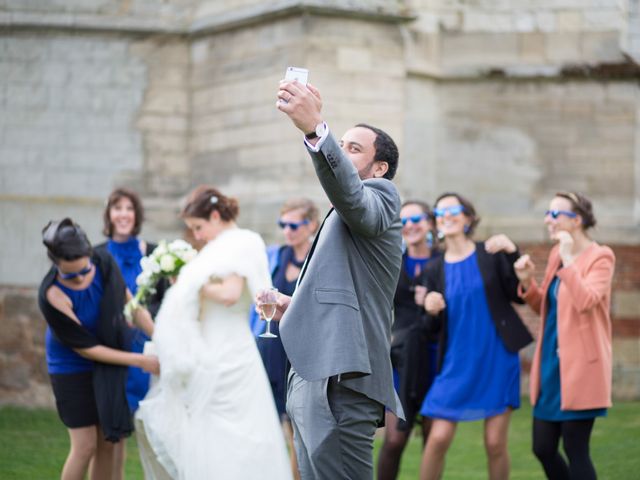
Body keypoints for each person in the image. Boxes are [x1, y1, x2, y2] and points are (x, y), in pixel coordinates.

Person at [268, 79, 404, 479]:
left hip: (342, 384)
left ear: (379, 169)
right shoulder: (343, 216)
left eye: (353, 148)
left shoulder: (382, 197)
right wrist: (294, 307)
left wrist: (316, 131)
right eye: (340, 144)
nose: (342, 152)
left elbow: (353, 196)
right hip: (310, 376)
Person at [136, 185, 292, 480]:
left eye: (199, 226)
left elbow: (231, 293)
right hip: (208, 349)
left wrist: (187, 281)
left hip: (231, 353)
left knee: (236, 437)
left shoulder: (242, 242)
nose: (196, 235)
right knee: (210, 437)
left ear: (216, 215)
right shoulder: (218, 248)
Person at [418, 192, 533, 480]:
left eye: (453, 209)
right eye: (439, 211)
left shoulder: (491, 254)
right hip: (456, 364)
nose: (446, 215)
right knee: (438, 438)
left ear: (468, 217)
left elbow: (516, 294)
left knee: (495, 443)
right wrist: (430, 310)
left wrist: (512, 251)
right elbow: (430, 329)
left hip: (497, 358)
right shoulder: (434, 268)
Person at [38, 218, 158, 480]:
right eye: (72, 275)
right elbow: (86, 349)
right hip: (71, 370)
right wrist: (139, 360)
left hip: (107, 361)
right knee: (84, 446)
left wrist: (159, 338)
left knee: (107, 440)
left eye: (84, 271)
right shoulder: (51, 294)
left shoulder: (103, 262)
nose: (80, 279)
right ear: (56, 264)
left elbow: (133, 307)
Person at [514, 192, 615, 480]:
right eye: (548, 213)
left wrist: (570, 260)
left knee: (576, 448)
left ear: (577, 220)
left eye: (556, 214)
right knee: (542, 447)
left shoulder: (601, 256)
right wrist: (527, 284)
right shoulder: (558, 254)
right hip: (550, 366)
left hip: (582, 368)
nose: (549, 220)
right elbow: (547, 305)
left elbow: (587, 301)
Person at [95, 187, 168, 477]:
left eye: (129, 208)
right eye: (117, 208)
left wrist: (145, 317)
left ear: (136, 215)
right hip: (113, 350)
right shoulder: (97, 255)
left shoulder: (155, 254)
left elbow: (166, 298)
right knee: (113, 431)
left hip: (147, 349)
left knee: (151, 429)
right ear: (109, 215)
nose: (123, 214)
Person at [249, 197, 319, 480]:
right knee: (271, 424)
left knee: (296, 427)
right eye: (283, 224)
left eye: (294, 224)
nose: (288, 230)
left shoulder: (317, 259)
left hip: (301, 349)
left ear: (311, 225)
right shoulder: (274, 256)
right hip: (270, 345)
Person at [377, 200, 440, 480]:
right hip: (400, 356)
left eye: (417, 219)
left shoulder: (444, 261)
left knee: (433, 439)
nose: (410, 225)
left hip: (436, 356)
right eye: (404, 221)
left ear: (430, 223)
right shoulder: (392, 261)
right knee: (393, 440)